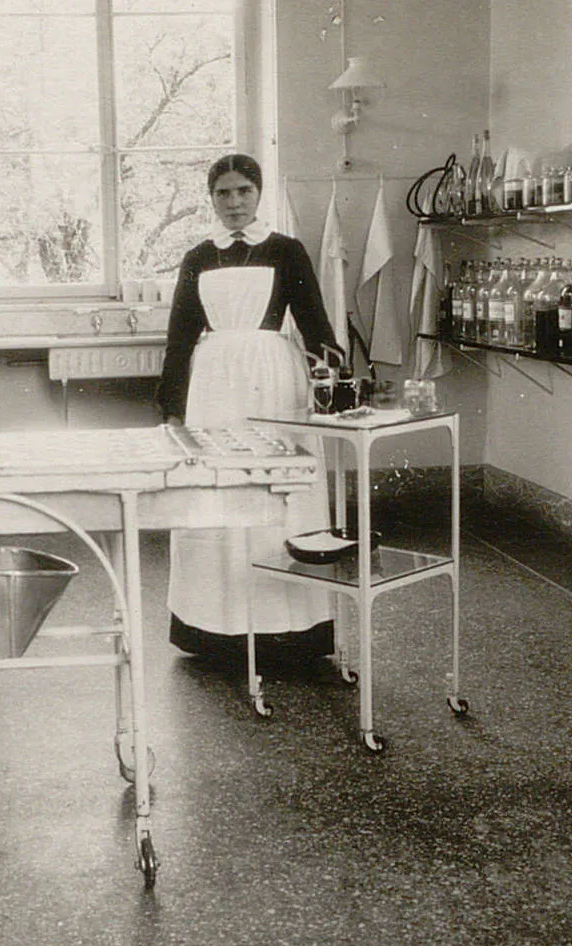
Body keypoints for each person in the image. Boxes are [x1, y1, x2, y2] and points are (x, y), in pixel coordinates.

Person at [155, 153, 342, 666]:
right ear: (211, 198)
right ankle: (214, 629)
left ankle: (290, 629)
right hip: (212, 384)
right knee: (217, 490)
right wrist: (171, 407)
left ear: (259, 194)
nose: (234, 202)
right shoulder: (198, 256)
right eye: (223, 193)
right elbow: (178, 337)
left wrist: (332, 379)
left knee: (278, 492)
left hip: (272, 380)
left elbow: (315, 325)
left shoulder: (285, 250)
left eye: (243, 191)